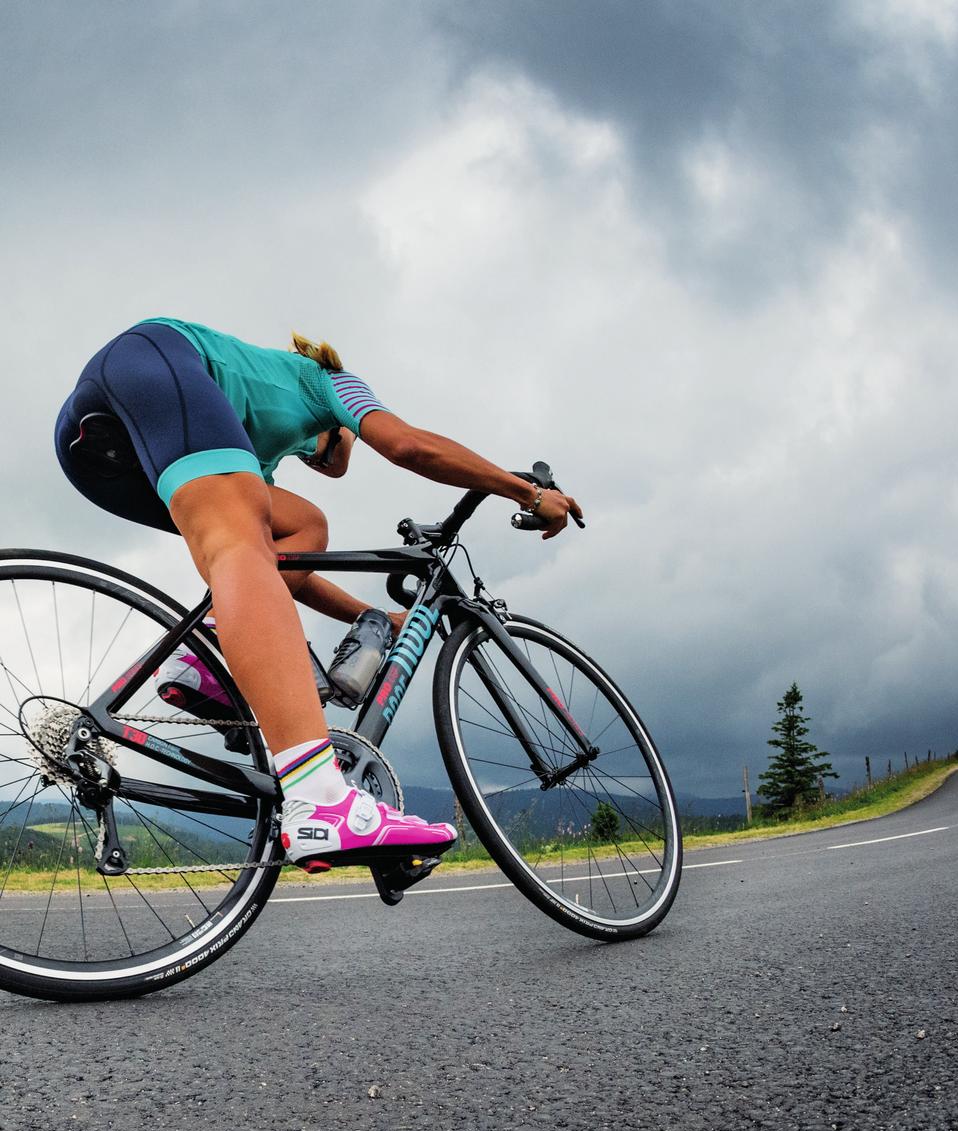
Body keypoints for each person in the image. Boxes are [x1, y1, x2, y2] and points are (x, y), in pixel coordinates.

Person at [54, 318, 583, 873]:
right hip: (153, 362)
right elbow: (407, 445)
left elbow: (273, 576)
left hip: (99, 449)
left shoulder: (242, 450)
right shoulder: (327, 381)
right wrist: (527, 490)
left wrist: (374, 616)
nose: (322, 460)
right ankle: (318, 797)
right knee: (247, 542)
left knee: (293, 529)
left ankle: (212, 664)